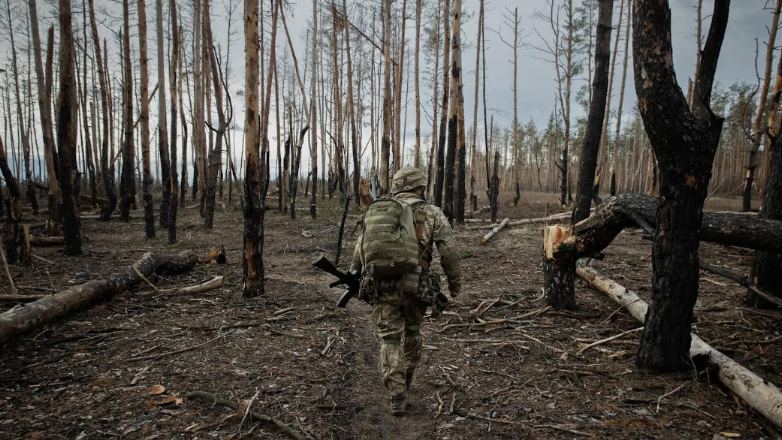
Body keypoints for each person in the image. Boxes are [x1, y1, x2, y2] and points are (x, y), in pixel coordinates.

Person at [350, 166, 462, 416]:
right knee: (412, 331)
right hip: (417, 286)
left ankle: (396, 393)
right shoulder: (432, 213)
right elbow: (449, 252)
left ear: (398, 186)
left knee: (389, 338)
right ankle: (407, 380)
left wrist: (355, 275)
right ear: (420, 187)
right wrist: (455, 284)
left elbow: (360, 251)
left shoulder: (379, 212)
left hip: (382, 285)